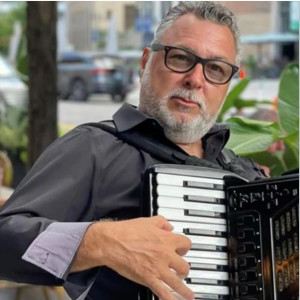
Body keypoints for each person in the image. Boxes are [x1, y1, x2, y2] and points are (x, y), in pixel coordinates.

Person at [0, 2, 265, 300]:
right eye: (180, 58)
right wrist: (100, 242)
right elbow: (5, 237)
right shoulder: (94, 148)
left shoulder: (242, 174)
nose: (196, 79)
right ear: (144, 63)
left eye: (215, 68)